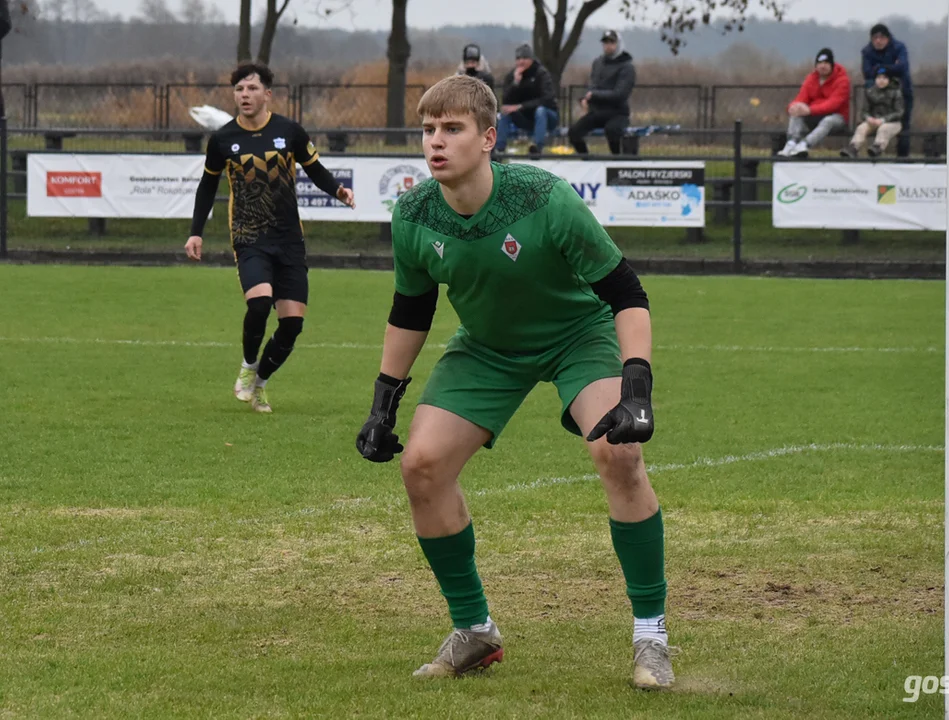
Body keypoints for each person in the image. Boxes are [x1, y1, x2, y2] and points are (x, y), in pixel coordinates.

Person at [355, 74, 674, 690]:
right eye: (428, 130)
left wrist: (636, 387)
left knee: (619, 452)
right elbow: (411, 310)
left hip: (577, 335)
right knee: (421, 465)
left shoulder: (546, 199)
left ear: (489, 137)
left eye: (453, 129)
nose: (436, 143)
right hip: (488, 349)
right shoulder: (413, 213)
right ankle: (474, 632)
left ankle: (651, 636)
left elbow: (626, 294)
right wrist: (382, 403)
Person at [184, 62, 354, 412]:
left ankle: (260, 382)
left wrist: (338, 190)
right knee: (259, 302)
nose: (244, 95)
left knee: (291, 324)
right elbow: (206, 186)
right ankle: (248, 367)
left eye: (251, 89)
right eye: (239, 90)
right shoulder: (223, 139)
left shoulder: (289, 131)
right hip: (249, 237)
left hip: (289, 239)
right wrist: (195, 233)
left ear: (267, 94)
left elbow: (315, 170)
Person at [569, 30, 636, 155]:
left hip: (617, 113)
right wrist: (586, 98)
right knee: (574, 132)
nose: (608, 45)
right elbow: (592, 86)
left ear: (618, 44)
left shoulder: (627, 67)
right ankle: (587, 161)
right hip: (598, 112)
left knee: (612, 131)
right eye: (605, 42)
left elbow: (620, 94)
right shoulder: (598, 63)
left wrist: (594, 95)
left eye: (612, 42)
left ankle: (616, 162)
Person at [778, 48, 850, 158]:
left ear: (832, 65)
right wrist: (792, 107)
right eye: (820, 63)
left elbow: (833, 105)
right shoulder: (811, 78)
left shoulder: (842, 80)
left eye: (826, 63)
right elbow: (801, 97)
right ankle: (791, 143)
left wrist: (810, 110)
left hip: (837, 118)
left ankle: (804, 144)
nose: (822, 66)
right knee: (796, 112)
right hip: (814, 115)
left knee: (828, 121)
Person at [495, 44, 559, 157]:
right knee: (506, 112)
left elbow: (547, 99)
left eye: (524, 58)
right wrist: (515, 83)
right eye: (518, 59)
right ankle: (499, 150)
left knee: (541, 110)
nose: (521, 62)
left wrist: (521, 106)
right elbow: (506, 101)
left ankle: (537, 148)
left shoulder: (541, 73)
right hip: (526, 119)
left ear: (531, 59)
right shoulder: (512, 76)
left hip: (548, 117)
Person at [862, 23, 913, 158]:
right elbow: (867, 73)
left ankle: (903, 159)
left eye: (881, 37)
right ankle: (874, 151)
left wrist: (879, 68)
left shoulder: (899, 47)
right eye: (875, 38)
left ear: (888, 38)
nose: (878, 41)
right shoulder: (867, 51)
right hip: (877, 97)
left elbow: (902, 67)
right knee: (871, 126)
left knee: (904, 127)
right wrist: (891, 67)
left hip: (902, 93)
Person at [841, 66, 904, 158]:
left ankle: (877, 148)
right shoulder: (870, 91)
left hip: (893, 123)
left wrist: (883, 120)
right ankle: (853, 148)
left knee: (884, 129)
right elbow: (864, 112)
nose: (881, 80)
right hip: (874, 121)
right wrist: (868, 118)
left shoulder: (896, 92)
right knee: (861, 128)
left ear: (889, 79)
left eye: (884, 78)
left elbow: (899, 112)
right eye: (878, 78)